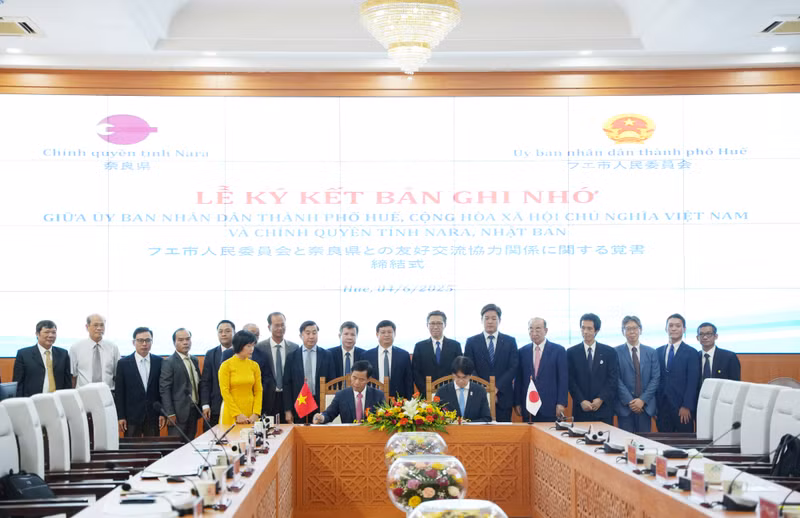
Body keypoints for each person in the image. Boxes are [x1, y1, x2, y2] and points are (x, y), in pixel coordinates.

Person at [464, 304, 518, 422]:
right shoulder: (471, 342)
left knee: (504, 434)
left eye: (494, 318)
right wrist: (486, 389)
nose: (490, 322)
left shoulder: (510, 341)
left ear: (500, 320)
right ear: (481, 320)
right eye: (486, 318)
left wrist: (496, 388)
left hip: (503, 396)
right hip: (478, 395)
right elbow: (469, 367)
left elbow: (513, 367)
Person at [567, 313, 619, 425]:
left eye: (589, 328)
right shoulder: (571, 352)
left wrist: (601, 399)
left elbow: (613, 379)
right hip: (581, 409)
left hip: (603, 409)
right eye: (583, 328)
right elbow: (571, 380)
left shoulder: (609, 352)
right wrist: (581, 400)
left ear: (597, 330)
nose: (585, 331)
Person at [514, 317, 567, 422]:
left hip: (550, 406)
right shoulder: (522, 352)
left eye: (538, 329)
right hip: (528, 406)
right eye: (531, 329)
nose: (534, 332)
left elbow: (563, 379)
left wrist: (561, 403)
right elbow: (518, 380)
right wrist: (517, 402)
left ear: (546, 331)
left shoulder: (558, 351)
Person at [115, 327, 165, 437]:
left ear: (152, 342)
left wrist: (162, 413)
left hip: (153, 416)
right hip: (131, 416)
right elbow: (120, 392)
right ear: (134, 342)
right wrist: (121, 416)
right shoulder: (123, 363)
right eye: (140, 340)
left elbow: (162, 390)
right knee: (131, 451)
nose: (144, 344)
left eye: (148, 340)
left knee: (153, 450)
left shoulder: (159, 362)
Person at [282, 321, 335, 423]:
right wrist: (287, 410)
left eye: (314, 333)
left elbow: (331, 382)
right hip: (300, 403)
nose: (311, 336)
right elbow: (287, 384)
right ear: (301, 335)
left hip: (321, 404)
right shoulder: (292, 357)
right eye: (308, 333)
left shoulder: (327, 355)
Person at [614, 316, 660, 433]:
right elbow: (616, 379)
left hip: (646, 406)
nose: (632, 331)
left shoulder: (651, 352)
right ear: (623, 331)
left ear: (640, 330)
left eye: (635, 328)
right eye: (628, 328)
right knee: (625, 443)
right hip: (625, 407)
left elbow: (655, 378)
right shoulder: (615, 352)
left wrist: (642, 400)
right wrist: (631, 401)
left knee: (644, 444)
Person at [655, 314, 699, 433]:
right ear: (666, 329)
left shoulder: (691, 353)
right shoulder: (658, 351)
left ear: (684, 329)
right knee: (663, 444)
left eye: (678, 326)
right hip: (662, 408)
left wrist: (687, 406)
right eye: (671, 326)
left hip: (682, 409)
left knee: (684, 445)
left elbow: (693, 382)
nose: (674, 328)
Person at [159, 328, 201, 441]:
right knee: (176, 447)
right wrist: (170, 413)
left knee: (191, 443)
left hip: (193, 410)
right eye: (181, 340)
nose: (185, 342)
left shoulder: (194, 360)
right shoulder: (169, 362)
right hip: (177, 413)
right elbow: (164, 389)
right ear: (174, 342)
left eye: (188, 339)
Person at [257, 312, 299, 422]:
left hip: (288, 396)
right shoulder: (259, 347)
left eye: (282, 325)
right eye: (276, 325)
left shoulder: (294, 347)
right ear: (269, 327)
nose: (280, 328)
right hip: (267, 397)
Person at [313, 360, 385, 424]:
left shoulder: (378, 396)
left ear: (368, 379)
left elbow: (384, 417)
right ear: (351, 375)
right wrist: (321, 418)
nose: (356, 382)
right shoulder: (341, 395)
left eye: (361, 379)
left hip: (370, 435)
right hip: (348, 435)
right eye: (354, 377)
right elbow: (329, 414)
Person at [13, 320, 72, 396]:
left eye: (53, 332)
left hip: (57, 400)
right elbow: (18, 383)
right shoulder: (24, 354)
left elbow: (67, 381)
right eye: (47, 332)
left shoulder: (63, 354)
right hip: (32, 400)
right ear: (37, 334)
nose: (51, 335)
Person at [412, 310, 462, 399]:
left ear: (445, 325)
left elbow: (459, 369)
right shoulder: (419, 346)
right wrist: (426, 391)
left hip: (451, 393)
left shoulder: (455, 346)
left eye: (439, 323)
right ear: (427, 325)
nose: (435, 326)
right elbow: (416, 372)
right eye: (432, 323)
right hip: (427, 394)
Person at [219, 330, 263, 426]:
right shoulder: (226, 366)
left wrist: (256, 413)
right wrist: (237, 414)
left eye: (253, 345)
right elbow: (225, 391)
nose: (252, 349)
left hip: (251, 412)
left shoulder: (254, 366)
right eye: (248, 346)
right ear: (239, 345)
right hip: (231, 412)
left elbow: (258, 390)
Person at [364, 320, 414, 400]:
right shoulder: (366, 355)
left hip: (397, 400)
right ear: (377, 334)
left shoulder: (404, 355)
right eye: (383, 332)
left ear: (395, 334)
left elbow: (408, 380)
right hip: (372, 398)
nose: (386, 335)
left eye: (389, 332)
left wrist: (409, 400)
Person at [199, 319, 235, 427]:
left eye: (227, 331)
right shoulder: (211, 354)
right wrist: (205, 404)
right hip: (215, 407)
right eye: (220, 331)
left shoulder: (241, 353)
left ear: (234, 333)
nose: (223, 334)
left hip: (237, 407)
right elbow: (205, 381)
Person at [70, 314, 120, 390]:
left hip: (108, 393)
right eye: (95, 325)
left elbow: (117, 374)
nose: (99, 328)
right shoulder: (76, 347)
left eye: (102, 325)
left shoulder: (113, 347)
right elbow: (73, 375)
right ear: (87, 327)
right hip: (84, 393)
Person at [435, 356, 491, 423]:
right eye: (458, 377)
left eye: (464, 377)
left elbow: (486, 418)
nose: (461, 381)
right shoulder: (442, 391)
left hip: (473, 431)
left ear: (470, 375)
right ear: (453, 374)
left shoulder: (480, 391)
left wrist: (467, 424)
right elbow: (435, 416)